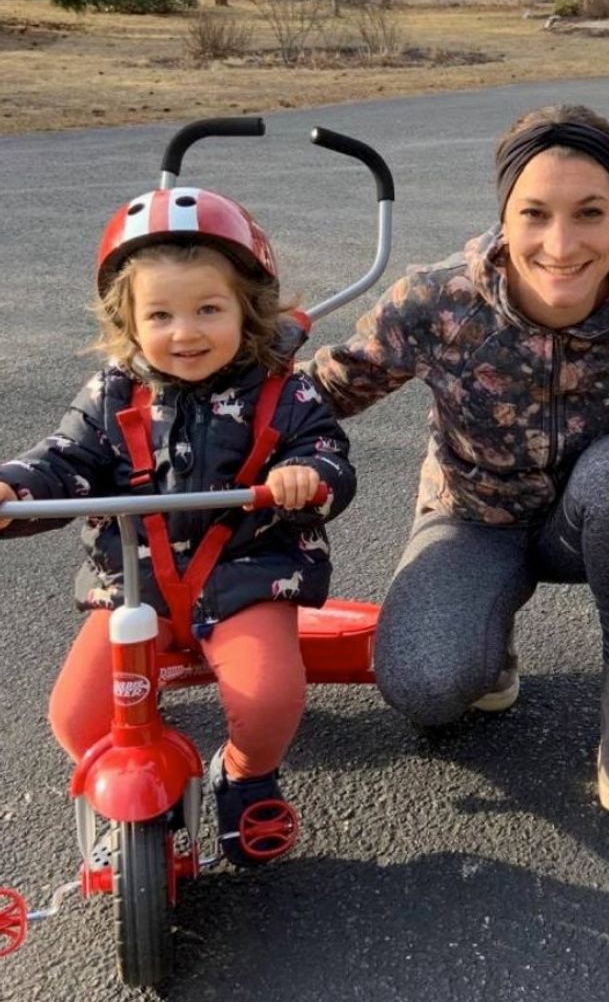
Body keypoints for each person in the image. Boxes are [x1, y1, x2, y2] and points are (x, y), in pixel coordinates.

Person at [308, 103, 609, 813]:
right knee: (426, 686)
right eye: (535, 213)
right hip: (472, 518)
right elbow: (323, 392)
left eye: (590, 213)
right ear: (505, 218)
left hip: (586, 519)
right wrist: (202, 410)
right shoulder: (438, 302)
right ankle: (487, 638)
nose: (561, 244)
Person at [0, 190, 356, 864]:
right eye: (159, 314)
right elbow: (64, 459)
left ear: (247, 310)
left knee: (270, 697)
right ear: (128, 322)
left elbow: (328, 456)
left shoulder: (286, 389)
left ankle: (245, 775)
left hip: (246, 575)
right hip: (136, 585)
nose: (184, 332)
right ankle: (136, 779)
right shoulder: (113, 394)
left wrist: (307, 476)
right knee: (76, 718)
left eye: (208, 310)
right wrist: (15, 486)